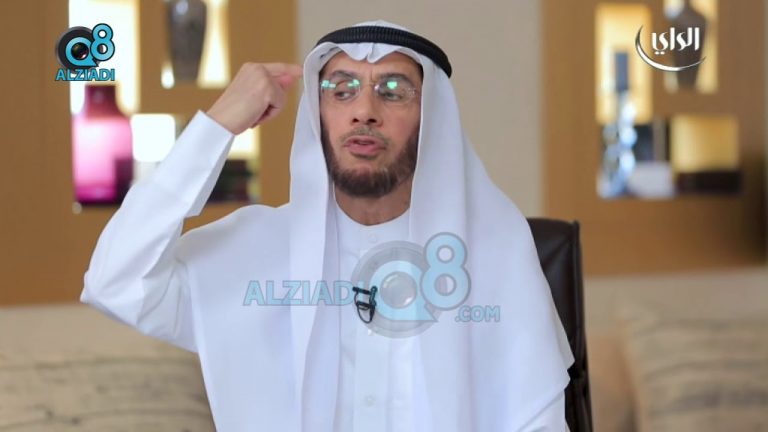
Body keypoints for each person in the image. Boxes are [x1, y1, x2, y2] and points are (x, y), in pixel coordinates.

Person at [81, 20, 574, 432]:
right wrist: (219, 124)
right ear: (317, 116)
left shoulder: (494, 252)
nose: (364, 111)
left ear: (433, 121)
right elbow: (116, 283)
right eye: (341, 91)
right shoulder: (252, 249)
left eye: (393, 92)